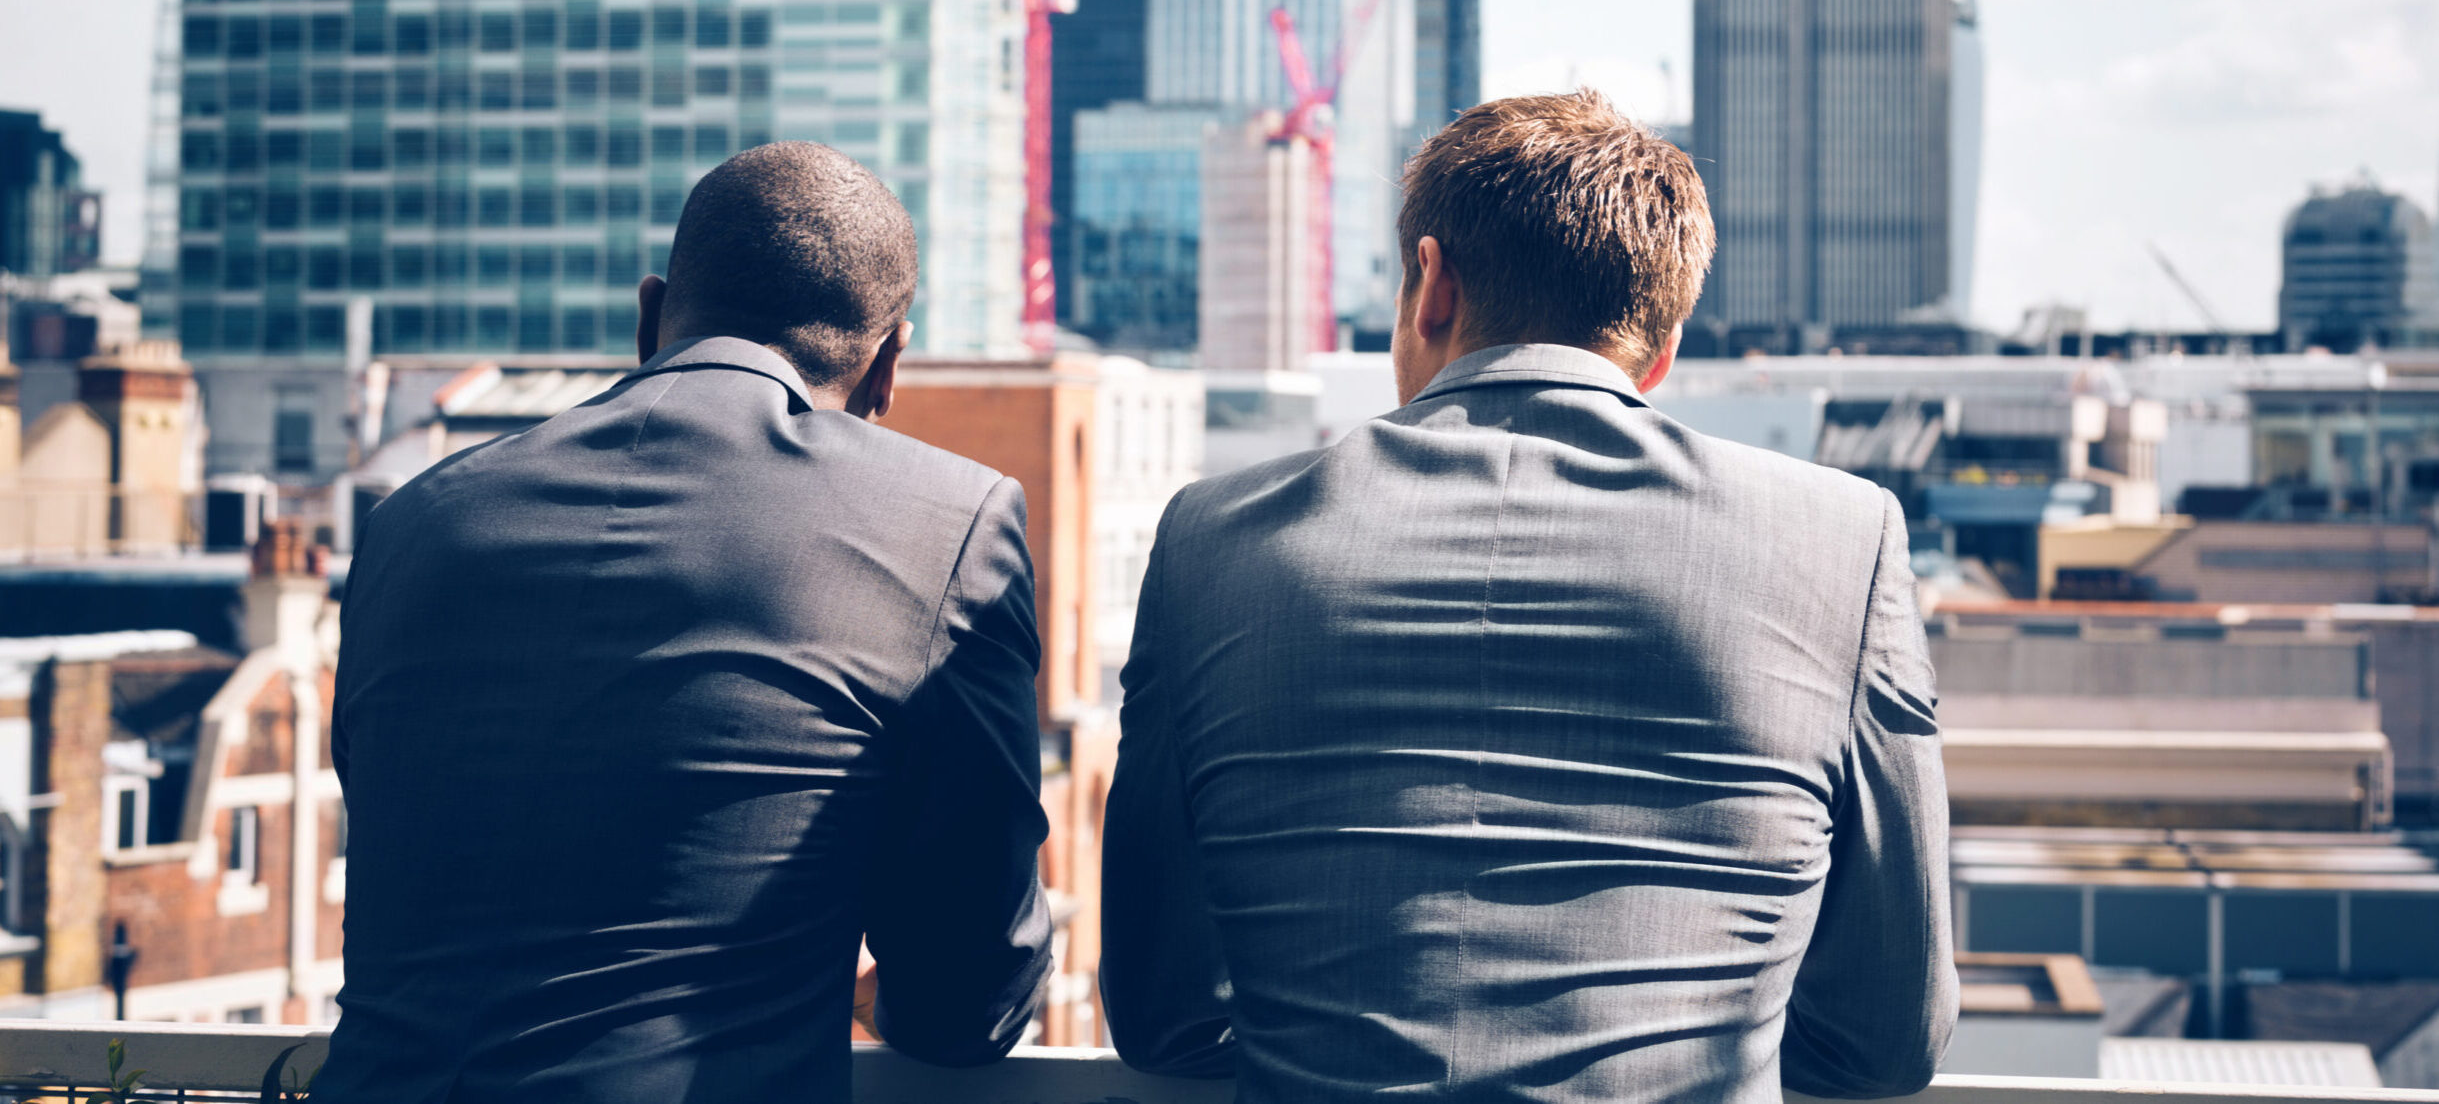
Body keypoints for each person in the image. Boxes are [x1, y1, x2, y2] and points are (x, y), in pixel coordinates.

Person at [1102, 91, 1956, 1103]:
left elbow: (1160, 1016)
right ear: (1664, 343)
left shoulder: (1215, 537)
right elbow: (1887, 1039)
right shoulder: (1842, 538)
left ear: (1431, 284)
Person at [322, 143, 1052, 1103]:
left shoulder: (416, 518)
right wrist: (874, 997)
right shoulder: (945, 523)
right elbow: (970, 1000)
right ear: (888, 368)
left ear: (650, 316)